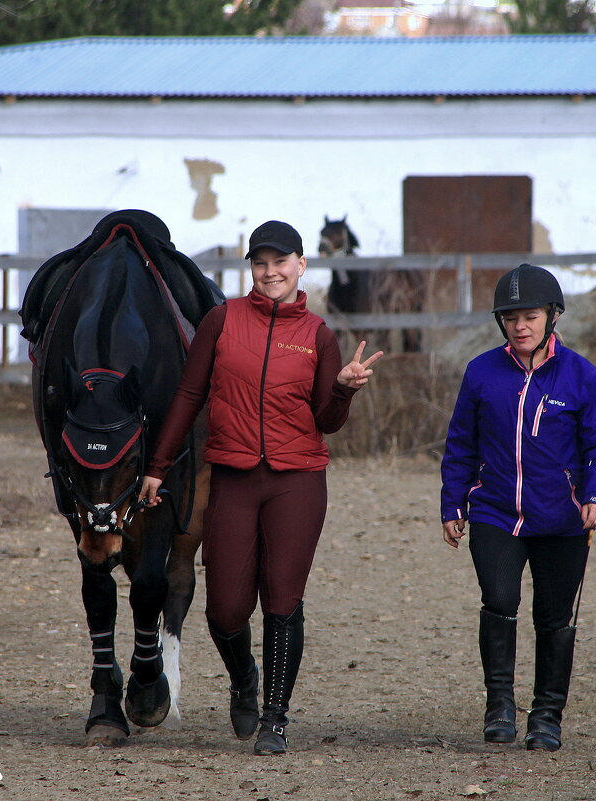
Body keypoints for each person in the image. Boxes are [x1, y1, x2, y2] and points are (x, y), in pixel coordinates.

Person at [139, 220, 382, 756]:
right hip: (234, 477)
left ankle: (274, 716)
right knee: (224, 610)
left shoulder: (318, 334)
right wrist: (158, 464)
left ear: (301, 265)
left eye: (281, 262)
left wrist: (342, 391)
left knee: (282, 598)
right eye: (260, 263)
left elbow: (326, 419)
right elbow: (188, 395)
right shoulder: (221, 321)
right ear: (252, 268)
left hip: (297, 482)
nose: (271, 272)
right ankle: (244, 675)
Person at [440, 263, 596, 752]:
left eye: (531, 316)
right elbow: (460, 445)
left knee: (554, 616)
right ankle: (499, 704)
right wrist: (451, 502)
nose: (521, 325)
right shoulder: (481, 372)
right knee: (499, 601)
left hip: (562, 520)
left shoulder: (583, 376)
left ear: (551, 316)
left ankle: (546, 715)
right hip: (497, 513)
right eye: (511, 317)